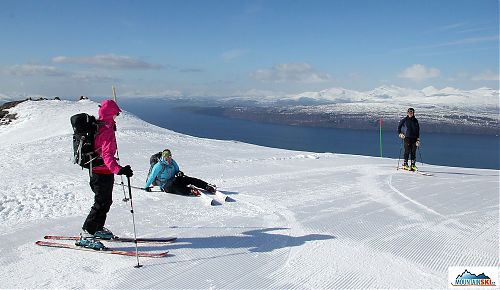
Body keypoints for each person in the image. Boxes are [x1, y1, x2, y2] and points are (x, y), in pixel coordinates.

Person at [77, 99, 134, 249]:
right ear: (110, 113)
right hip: (101, 172)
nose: (117, 116)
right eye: (116, 113)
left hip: (100, 171)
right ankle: (86, 234)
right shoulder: (106, 130)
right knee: (101, 203)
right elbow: (107, 155)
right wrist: (120, 170)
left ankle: (97, 228)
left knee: (106, 202)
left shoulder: (100, 125)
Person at [143, 149, 216, 195]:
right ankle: (190, 191)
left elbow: (177, 170)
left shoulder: (172, 162)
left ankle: (206, 186)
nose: (169, 159)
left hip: (173, 179)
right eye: (167, 158)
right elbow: (152, 176)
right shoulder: (158, 166)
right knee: (175, 187)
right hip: (165, 184)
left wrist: (179, 173)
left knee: (188, 179)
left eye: (170, 157)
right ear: (163, 157)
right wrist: (146, 187)